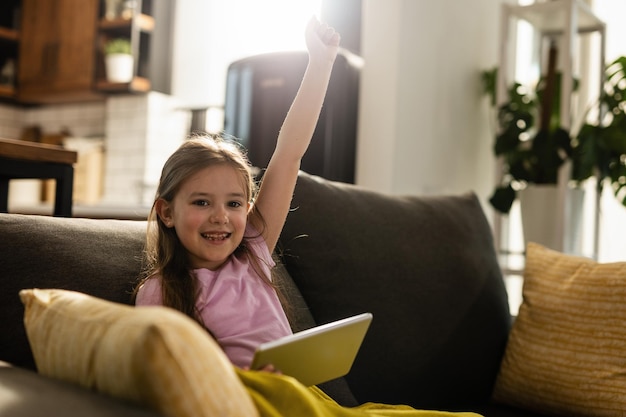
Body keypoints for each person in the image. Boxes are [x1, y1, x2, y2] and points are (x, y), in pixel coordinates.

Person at [134, 17, 481, 417]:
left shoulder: (252, 250)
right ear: (166, 211)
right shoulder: (159, 291)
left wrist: (320, 64)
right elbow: (164, 378)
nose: (220, 218)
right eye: (201, 203)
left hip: (306, 398)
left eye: (233, 204)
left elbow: (289, 154)